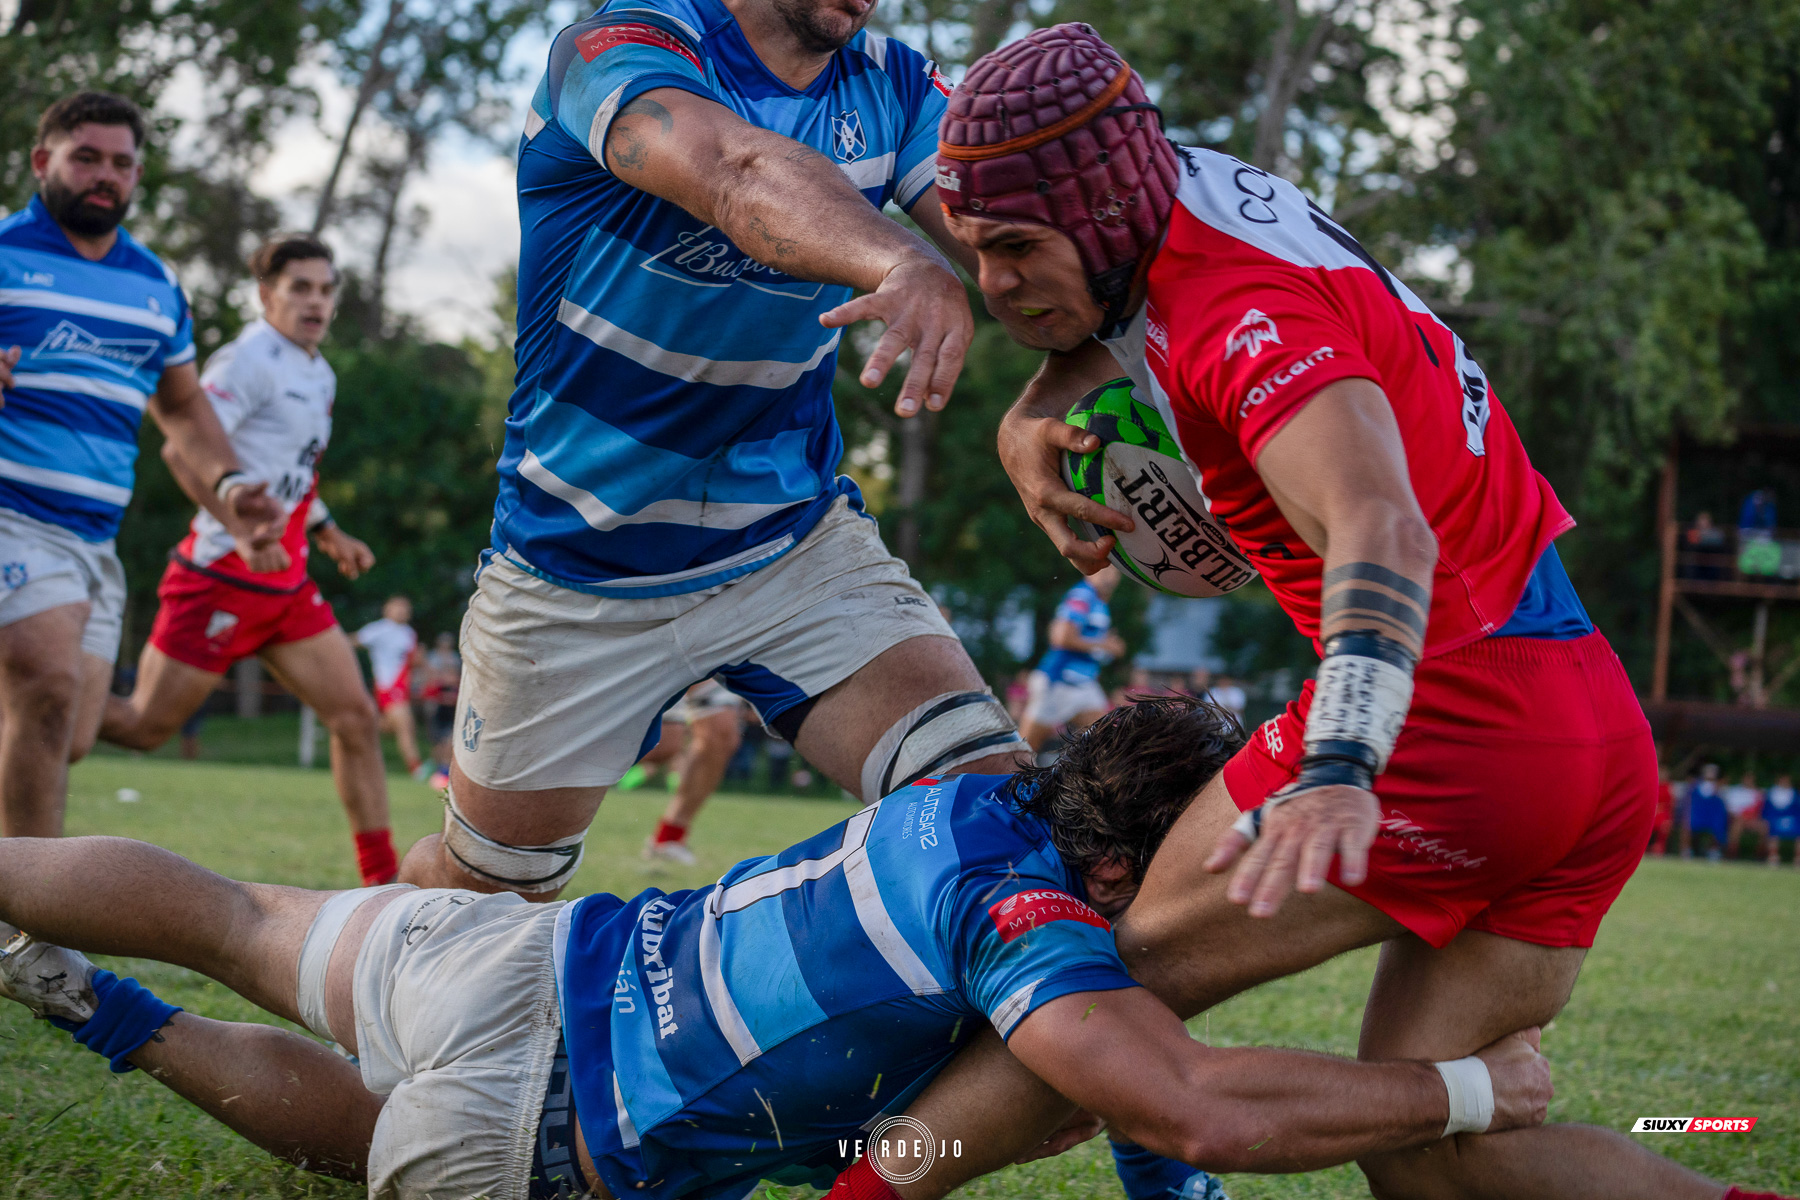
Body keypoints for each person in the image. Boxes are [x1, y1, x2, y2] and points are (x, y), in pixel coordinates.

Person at [894, 23, 1750, 1200]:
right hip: (1591, 732)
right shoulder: (1168, 188)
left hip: (1450, 720)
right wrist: (1026, 409)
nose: (992, 287)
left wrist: (1345, 753)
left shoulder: (1241, 316)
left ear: (1097, 216)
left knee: (1105, 986)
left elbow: (1379, 528)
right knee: (1437, 1160)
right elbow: (1120, 326)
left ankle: (859, 1186)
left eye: (1016, 252)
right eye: (974, 251)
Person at [0, 699, 1564, 1200]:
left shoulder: (970, 793)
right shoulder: (1030, 926)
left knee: (230, 914)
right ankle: (94, 1005)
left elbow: (1138, 1091)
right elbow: (1185, 1101)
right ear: (1128, 859)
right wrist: (1474, 1092)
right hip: (541, 1133)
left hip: (500, 957)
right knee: (385, 1140)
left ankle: (44, 935)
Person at [403, 0, 1032, 900]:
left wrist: (1078, 380)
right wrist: (900, 259)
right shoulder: (617, 47)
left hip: (789, 544)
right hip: (579, 563)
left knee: (996, 814)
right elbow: (735, 172)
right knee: (486, 896)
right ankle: (385, 951)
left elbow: (1014, 245)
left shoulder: (896, 86)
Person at [0, 91, 280, 838]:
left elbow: (184, 409)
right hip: (12, 516)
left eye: (121, 164)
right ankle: (29, 937)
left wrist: (228, 486)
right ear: (41, 162)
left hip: (94, 539)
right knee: (49, 692)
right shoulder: (4, 253)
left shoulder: (157, 285)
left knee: (72, 732)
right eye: (85, 157)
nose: (105, 176)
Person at [94, 234, 398, 886]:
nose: (316, 302)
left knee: (356, 718)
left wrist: (326, 530)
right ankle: (38, 703)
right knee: (145, 727)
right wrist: (237, 527)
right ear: (267, 295)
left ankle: (384, 890)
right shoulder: (246, 361)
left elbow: (289, 474)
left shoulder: (321, 372)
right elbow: (182, 450)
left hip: (285, 583)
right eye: (300, 288)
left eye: (325, 289)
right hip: (220, 576)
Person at [637, 678, 745, 866]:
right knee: (663, 746)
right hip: (655, 651)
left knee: (721, 735)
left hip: (712, 652)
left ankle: (668, 838)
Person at [1020, 567, 1124, 752]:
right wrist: (1104, 645)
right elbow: (1060, 637)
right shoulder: (1082, 596)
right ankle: (1006, 779)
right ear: (1088, 572)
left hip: (1084, 685)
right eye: (1104, 572)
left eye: (1114, 573)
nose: (1110, 578)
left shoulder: (1099, 601)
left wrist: (1107, 646)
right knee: (1024, 750)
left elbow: (1090, 641)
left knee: (1107, 743)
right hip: (1059, 682)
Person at [355, 597, 423, 779]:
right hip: (389, 686)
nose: (402, 611)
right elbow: (354, 640)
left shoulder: (409, 633)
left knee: (388, 727)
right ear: (387, 609)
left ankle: (353, 729)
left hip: (402, 687)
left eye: (405, 608)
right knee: (405, 726)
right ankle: (417, 770)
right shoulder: (380, 629)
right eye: (397, 607)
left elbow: (413, 661)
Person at [421, 631, 461, 789]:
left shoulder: (457, 684)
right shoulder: (436, 685)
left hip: (450, 715)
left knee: (448, 741)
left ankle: (444, 770)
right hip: (438, 713)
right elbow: (428, 693)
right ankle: (438, 769)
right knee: (437, 743)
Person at [1685, 764, 1729, 860]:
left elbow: (1720, 807)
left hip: (1712, 816)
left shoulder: (1718, 788)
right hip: (1697, 815)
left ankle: (1713, 851)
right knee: (1687, 823)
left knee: (1718, 825)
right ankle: (1686, 850)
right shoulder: (1695, 786)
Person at [1723, 771, 1765, 860]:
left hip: (1752, 820)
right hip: (1736, 818)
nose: (1749, 781)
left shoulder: (1757, 793)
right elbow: (1729, 809)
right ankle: (1732, 853)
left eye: (1751, 779)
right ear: (1743, 779)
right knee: (1738, 824)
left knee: (1764, 826)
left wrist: (1759, 794)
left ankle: (1760, 855)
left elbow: (1759, 810)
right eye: (1747, 779)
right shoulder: (1734, 791)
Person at [1764, 774, 1797, 867]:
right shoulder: (1771, 793)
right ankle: (1773, 857)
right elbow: (1767, 811)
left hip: (1792, 821)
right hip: (1775, 820)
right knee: (1773, 831)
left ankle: (1797, 858)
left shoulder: (1793, 794)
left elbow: (1796, 811)